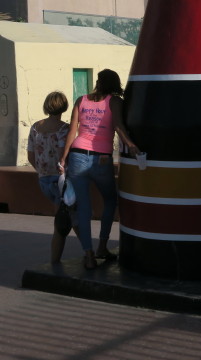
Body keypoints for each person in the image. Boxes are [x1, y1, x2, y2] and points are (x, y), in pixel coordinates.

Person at [58, 69, 139, 270]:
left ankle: (88, 256)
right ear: (115, 83)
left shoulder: (81, 100)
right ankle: (103, 246)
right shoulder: (115, 102)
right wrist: (132, 145)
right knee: (110, 200)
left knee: (84, 209)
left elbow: (72, 130)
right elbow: (119, 127)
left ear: (98, 82)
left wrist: (63, 157)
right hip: (101, 159)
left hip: (77, 155)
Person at [27, 91, 76, 263]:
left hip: (43, 180)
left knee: (65, 216)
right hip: (61, 180)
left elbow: (31, 156)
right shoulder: (64, 129)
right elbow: (69, 154)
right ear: (64, 106)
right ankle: (84, 253)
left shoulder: (35, 127)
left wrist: (41, 171)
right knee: (66, 219)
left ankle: (87, 251)